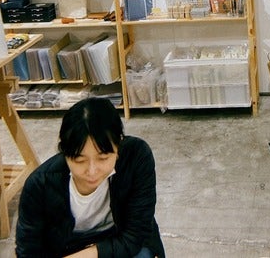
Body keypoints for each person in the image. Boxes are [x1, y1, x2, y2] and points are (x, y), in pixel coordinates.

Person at [16, 97, 165, 258]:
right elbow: (27, 251)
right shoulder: (40, 184)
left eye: (103, 158)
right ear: (64, 153)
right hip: (67, 246)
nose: (92, 171)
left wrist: (91, 254)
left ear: (118, 146)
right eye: (80, 161)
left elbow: (135, 235)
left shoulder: (136, 157)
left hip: (121, 240)